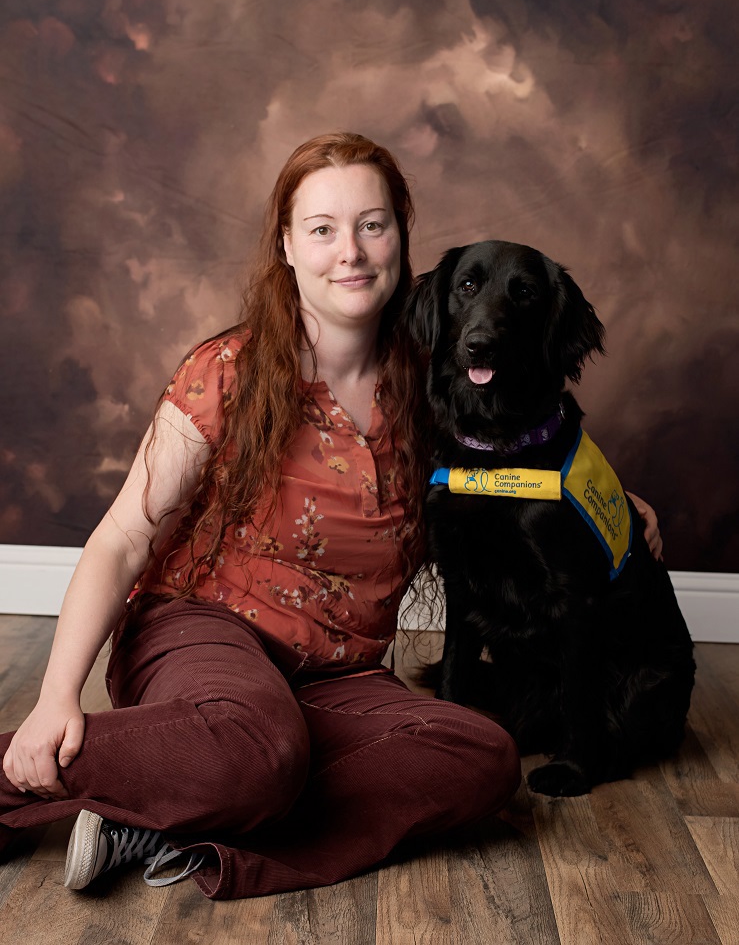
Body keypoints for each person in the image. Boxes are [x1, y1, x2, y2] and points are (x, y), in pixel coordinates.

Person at [0, 133, 661, 900]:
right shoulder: (231, 370)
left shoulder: (435, 378)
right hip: (205, 628)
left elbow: (525, 429)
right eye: (322, 229)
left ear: (401, 238)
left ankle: (166, 821)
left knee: (479, 756)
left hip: (335, 670)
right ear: (286, 246)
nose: (350, 251)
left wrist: (603, 493)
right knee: (253, 743)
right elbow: (122, 539)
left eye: (372, 225)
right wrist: (56, 699)